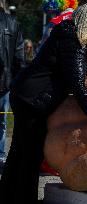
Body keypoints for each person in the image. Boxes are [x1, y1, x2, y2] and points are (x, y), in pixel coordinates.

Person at [0, 2, 87, 204]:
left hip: (26, 94)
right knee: (30, 155)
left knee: (19, 151)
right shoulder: (73, 41)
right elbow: (76, 82)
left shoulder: (76, 39)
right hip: (32, 100)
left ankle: (8, 196)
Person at [0, 0, 24, 165]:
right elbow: (19, 58)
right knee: (2, 122)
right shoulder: (13, 23)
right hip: (6, 82)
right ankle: (1, 155)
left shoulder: (12, 23)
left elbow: (19, 56)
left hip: (5, 82)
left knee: (2, 121)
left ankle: (1, 155)